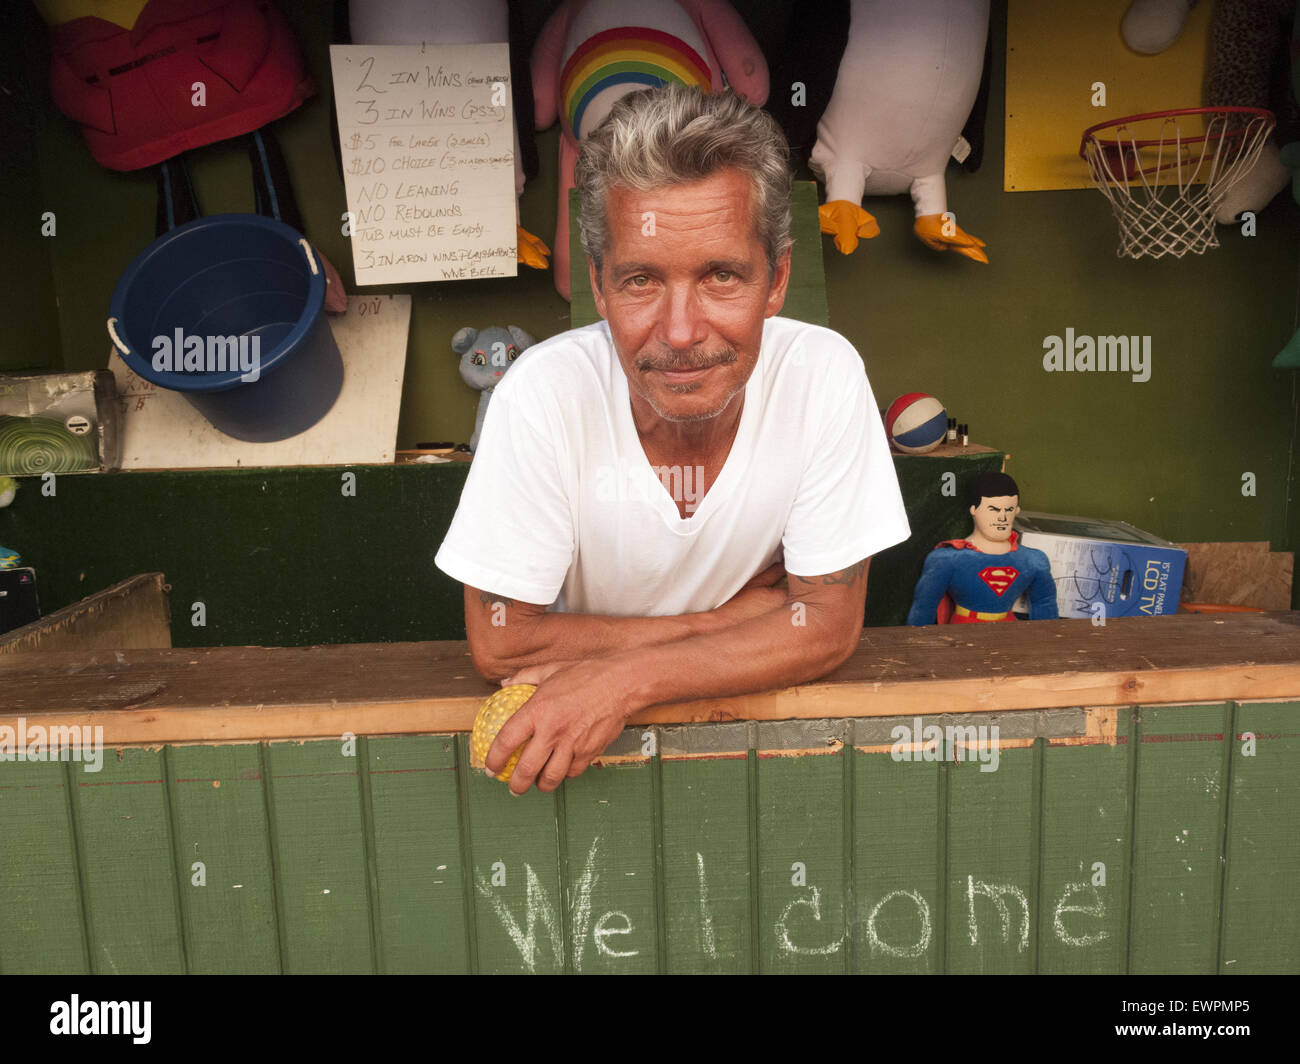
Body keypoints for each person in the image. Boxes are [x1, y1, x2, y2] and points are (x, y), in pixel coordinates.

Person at [435, 83, 910, 794]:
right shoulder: (541, 393)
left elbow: (827, 627)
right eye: (640, 281)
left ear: (776, 280)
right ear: (598, 287)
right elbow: (503, 641)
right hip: (577, 779)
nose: (682, 332)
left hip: (748, 767)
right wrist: (730, 621)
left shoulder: (823, 374)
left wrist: (623, 680)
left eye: (721, 276)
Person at [906, 471, 1058, 625]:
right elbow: (924, 608)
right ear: (974, 510)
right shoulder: (946, 559)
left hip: (1009, 635)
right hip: (961, 636)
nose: (1002, 518)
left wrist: (1047, 642)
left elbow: (1045, 605)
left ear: (1017, 510)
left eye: (1009, 509)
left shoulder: (1033, 560)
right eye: (994, 509)